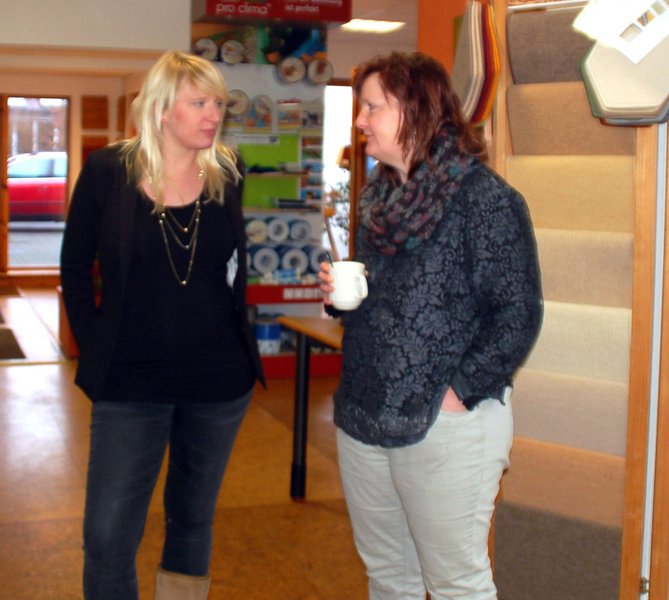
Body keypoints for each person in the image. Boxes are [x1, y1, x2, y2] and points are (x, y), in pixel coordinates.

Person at [318, 52, 543, 600]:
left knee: (454, 584)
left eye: (372, 107)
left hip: (444, 423)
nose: (361, 121)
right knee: (389, 578)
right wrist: (343, 299)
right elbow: (385, 300)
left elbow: (518, 312)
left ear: (415, 108)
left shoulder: (484, 200)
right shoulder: (378, 198)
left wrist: (457, 393)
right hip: (366, 411)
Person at [60, 50, 264, 600]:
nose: (214, 114)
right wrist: (95, 345)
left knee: (192, 521)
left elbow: (230, 267)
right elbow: (75, 268)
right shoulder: (108, 172)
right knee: (107, 537)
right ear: (160, 109)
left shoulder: (228, 171)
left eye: (218, 103)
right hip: (130, 383)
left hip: (217, 383)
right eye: (199, 103)